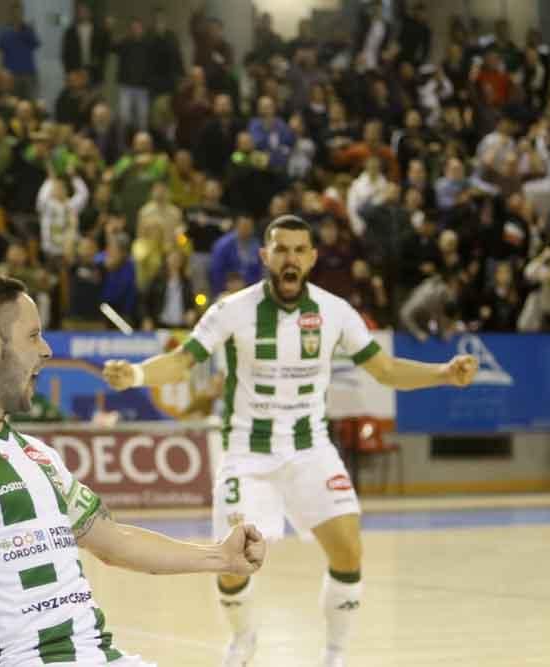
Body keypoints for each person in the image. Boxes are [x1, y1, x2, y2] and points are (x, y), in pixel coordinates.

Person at [103, 216, 479, 667]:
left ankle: (335, 657)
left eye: (300, 251)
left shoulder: (335, 311)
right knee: (232, 561)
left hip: (310, 449)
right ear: (265, 256)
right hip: (248, 452)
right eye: (281, 250)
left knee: (349, 549)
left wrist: (442, 373)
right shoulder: (232, 309)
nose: (290, 259)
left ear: (312, 258)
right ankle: (243, 640)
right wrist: (138, 374)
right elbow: (184, 361)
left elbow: (384, 370)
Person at [0, 274, 267, 666]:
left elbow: (114, 542)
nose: (45, 349)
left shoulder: (36, 454)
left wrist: (220, 556)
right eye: (33, 335)